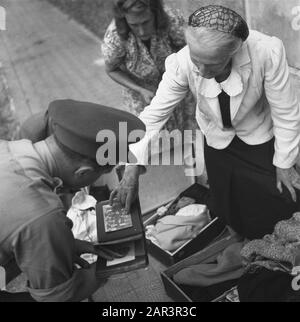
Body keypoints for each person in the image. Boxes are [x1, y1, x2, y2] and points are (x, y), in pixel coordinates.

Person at [110, 5, 300, 240]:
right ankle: (240, 242)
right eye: (196, 60)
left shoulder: (267, 51)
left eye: (211, 64)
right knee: (228, 200)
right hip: (216, 139)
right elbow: (153, 115)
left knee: (276, 196)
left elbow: (286, 111)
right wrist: (131, 166)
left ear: (234, 51)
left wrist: (284, 161)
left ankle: (274, 244)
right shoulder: (181, 63)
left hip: (258, 135)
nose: (200, 71)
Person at [0, 99, 145, 302]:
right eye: (103, 172)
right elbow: (59, 298)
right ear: (83, 172)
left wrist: (65, 244)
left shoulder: (9, 147)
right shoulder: (43, 215)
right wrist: (114, 266)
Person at [102, 0, 197, 133]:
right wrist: (140, 89)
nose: (141, 31)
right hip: (143, 97)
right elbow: (111, 69)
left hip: (177, 89)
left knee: (188, 136)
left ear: (156, 14)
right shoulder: (114, 36)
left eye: (146, 22)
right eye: (134, 25)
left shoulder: (171, 19)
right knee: (149, 140)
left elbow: (191, 47)